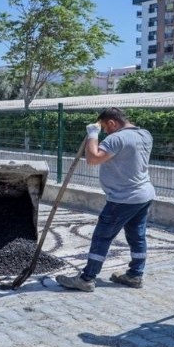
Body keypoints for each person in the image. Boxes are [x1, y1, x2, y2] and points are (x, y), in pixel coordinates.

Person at [56, 107, 156, 292]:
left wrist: (93, 134)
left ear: (112, 122)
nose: (105, 132)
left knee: (102, 236)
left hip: (123, 198)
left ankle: (87, 278)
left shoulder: (117, 138)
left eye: (105, 128)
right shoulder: (145, 134)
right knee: (137, 236)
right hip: (144, 194)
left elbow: (93, 159)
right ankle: (135, 275)